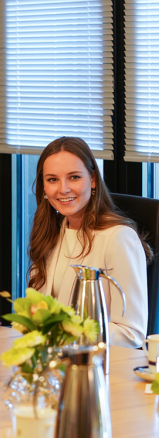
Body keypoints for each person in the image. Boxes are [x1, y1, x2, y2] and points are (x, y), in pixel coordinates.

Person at [28, 136, 152, 349]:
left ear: (93, 180)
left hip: (99, 370)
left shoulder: (118, 237)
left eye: (74, 177)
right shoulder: (49, 234)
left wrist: (68, 333)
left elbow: (132, 333)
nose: (63, 189)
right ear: (43, 187)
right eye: (52, 179)